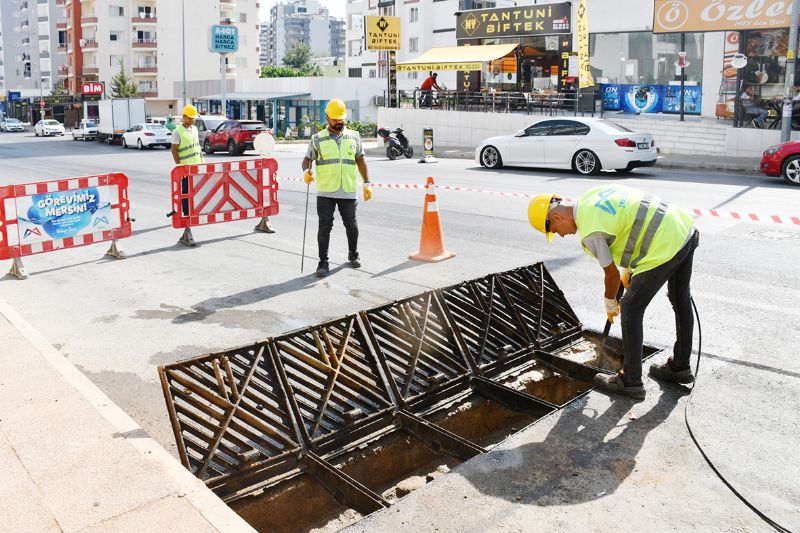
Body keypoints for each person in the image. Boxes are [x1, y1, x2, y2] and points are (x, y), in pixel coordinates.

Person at [527, 185, 700, 400]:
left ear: (556, 217)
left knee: (630, 307)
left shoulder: (589, 233)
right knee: (680, 298)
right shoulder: (592, 195)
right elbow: (629, 219)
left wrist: (610, 302)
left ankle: (631, 381)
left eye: (553, 230)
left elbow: (611, 276)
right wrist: (629, 268)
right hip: (683, 227)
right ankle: (680, 367)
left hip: (665, 243)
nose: (559, 235)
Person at [301, 99, 372, 278]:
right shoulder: (317, 139)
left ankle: (353, 254)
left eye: (342, 119)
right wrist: (306, 171)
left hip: (347, 189)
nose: (339, 122)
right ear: (327, 118)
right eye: (335, 119)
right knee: (325, 227)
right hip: (326, 191)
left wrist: (366, 183)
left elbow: (360, 161)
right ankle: (323, 262)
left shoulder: (354, 136)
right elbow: (307, 159)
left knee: (351, 225)